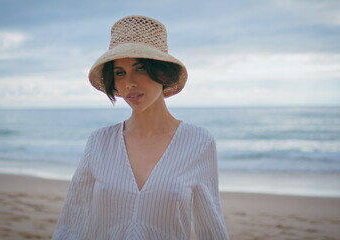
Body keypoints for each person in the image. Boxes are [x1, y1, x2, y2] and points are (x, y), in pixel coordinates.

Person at [51, 15, 229, 240]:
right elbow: (71, 224)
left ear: (162, 72)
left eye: (141, 68)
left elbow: (210, 227)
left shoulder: (198, 141)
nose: (130, 83)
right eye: (119, 73)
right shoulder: (99, 142)